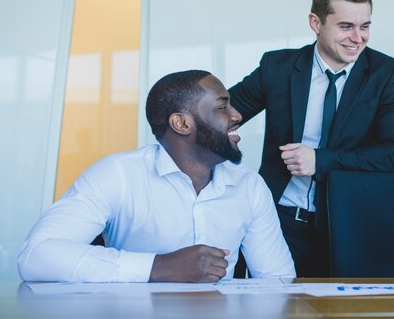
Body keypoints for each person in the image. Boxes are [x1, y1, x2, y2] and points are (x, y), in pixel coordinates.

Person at [18, 70, 295, 282]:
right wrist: (160, 266)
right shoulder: (118, 175)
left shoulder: (250, 186)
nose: (236, 115)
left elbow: (278, 281)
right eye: (222, 107)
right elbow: (35, 255)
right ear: (182, 123)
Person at [229, 0, 394, 277]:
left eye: (364, 26)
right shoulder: (277, 67)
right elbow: (223, 112)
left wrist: (320, 159)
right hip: (278, 221)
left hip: (347, 225)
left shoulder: (387, 73)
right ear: (316, 23)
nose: (358, 38)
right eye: (346, 26)